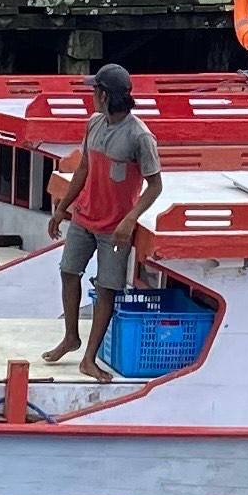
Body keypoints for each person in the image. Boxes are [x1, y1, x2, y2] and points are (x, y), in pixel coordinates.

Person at [44, 61, 165, 362]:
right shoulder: (94, 124)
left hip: (114, 227)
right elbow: (84, 168)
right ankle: (71, 338)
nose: (91, 96)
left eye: (94, 91)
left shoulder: (140, 137)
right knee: (69, 271)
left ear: (105, 95)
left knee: (107, 287)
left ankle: (90, 358)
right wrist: (62, 209)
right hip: (85, 217)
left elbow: (155, 186)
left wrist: (129, 220)